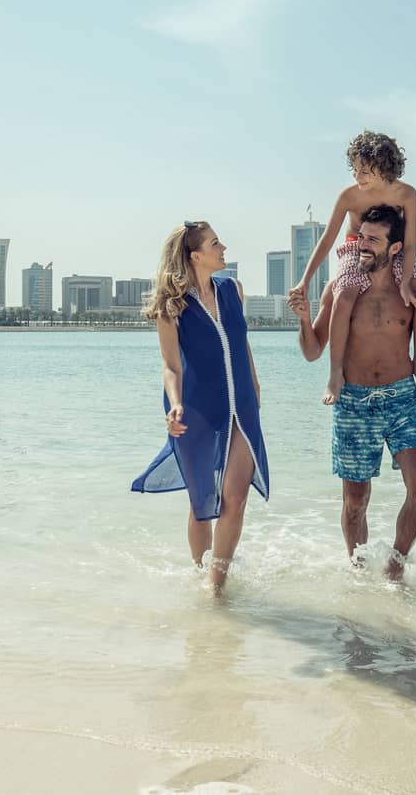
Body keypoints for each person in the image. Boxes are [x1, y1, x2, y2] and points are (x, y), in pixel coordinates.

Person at [288, 205, 416, 580]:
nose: (362, 245)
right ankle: (358, 571)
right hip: (353, 402)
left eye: (374, 239)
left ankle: (396, 564)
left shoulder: (413, 291)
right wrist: (303, 318)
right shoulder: (339, 289)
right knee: (355, 503)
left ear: (395, 248)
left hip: (403, 399)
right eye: (361, 237)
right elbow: (312, 351)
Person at [132, 221, 269, 593]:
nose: (223, 247)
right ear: (196, 256)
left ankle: (215, 587)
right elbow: (171, 366)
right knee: (202, 503)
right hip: (196, 410)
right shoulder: (171, 306)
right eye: (215, 243)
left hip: (241, 408)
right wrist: (175, 405)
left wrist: (255, 389)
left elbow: (243, 345)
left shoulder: (232, 290)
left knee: (236, 498)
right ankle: (200, 571)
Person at [289, 131, 416, 405]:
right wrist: (304, 280)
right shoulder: (349, 196)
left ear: (384, 167)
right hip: (357, 248)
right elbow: (327, 239)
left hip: (394, 248)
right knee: (343, 293)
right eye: (354, 170)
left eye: (364, 171)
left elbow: (411, 243)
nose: (357, 176)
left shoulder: (407, 194)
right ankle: (334, 374)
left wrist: (405, 283)